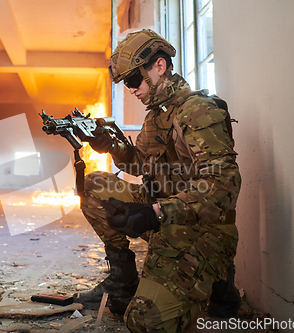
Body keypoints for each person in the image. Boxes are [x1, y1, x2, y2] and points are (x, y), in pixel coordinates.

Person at [73, 29, 242, 332]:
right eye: (126, 84)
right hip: (162, 215)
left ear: (159, 67)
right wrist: (109, 143)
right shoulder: (157, 115)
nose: (131, 89)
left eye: (134, 80)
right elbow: (139, 163)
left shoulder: (198, 110)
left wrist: (156, 213)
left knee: (144, 323)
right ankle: (123, 282)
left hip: (199, 228)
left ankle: (218, 277)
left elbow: (224, 184)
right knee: (93, 186)